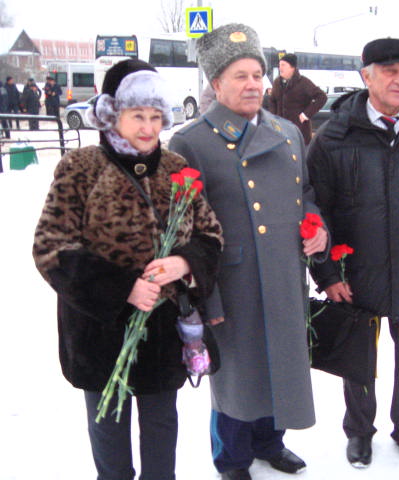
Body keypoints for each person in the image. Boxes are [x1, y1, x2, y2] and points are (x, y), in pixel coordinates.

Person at [32, 58, 223, 480]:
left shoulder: (176, 169)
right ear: (111, 114)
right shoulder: (80, 168)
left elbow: (211, 236)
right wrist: (123, 289)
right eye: (138, 116)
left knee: (161, 430)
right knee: (109, 435)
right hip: (100, 333)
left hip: (161, 333)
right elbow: (51, 248)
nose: (149, 127)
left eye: (156, 116)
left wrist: (184, 262)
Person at [169, 23, 328, 480]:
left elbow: (306, 193)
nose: (253, 84)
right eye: (240, 76)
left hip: (283, 272)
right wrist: (207, 299)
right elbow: (185, 230)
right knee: (237, 375)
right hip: (231, 281)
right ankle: (233, 459)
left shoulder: (287, 132)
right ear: (216, 83)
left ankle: (270, 443)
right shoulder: (191, 141)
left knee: (280, 362)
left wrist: (316, 226)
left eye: (257, 74)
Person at [307, 38, 399, 470]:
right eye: (390, 72)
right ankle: (359, 432)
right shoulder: (335, 137)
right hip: (359, 270)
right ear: (366, 77)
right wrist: (328, 274)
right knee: (359, 359)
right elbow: (315, 210)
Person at [270, 53, 327, 144]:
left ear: (292, 67)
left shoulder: (303, 82)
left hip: (299, 132)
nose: (280, 68)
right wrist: (273, 118)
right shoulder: (277, 82)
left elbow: (322, 97)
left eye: (283, 65)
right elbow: (272, 100)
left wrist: (305, 115)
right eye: (279, 65)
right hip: (280, 131)